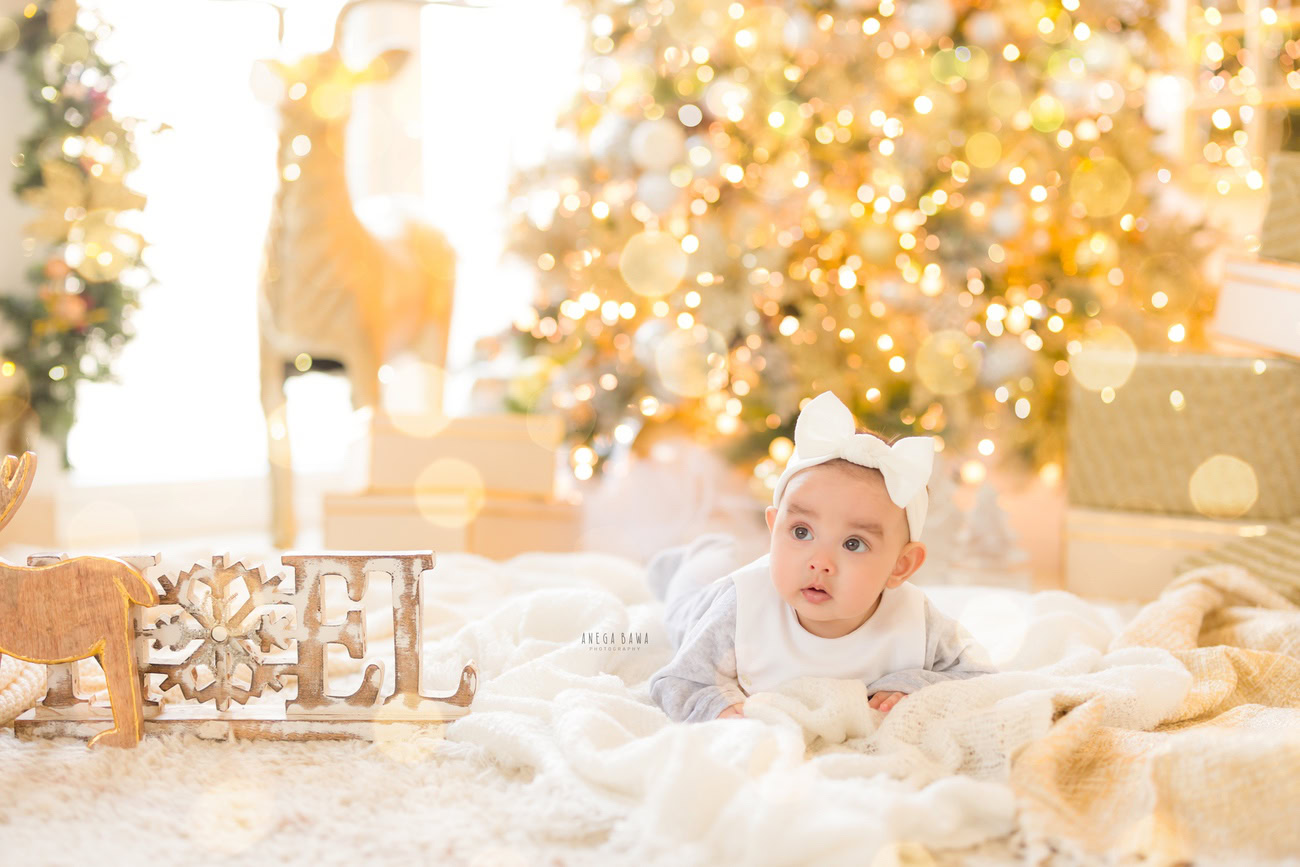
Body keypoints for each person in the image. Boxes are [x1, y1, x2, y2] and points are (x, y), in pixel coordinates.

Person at [646, 390, 997, 723]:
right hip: (703, 600)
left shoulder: (915, 620)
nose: (820, 562)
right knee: (686, 597)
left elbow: (979, 675)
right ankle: (693, 557)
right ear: (774, 528)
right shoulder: (741, 607)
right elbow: (677, 681)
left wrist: (912, 683)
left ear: (901, 566)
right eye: (801, 532)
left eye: (853, 543)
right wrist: (719, 708)